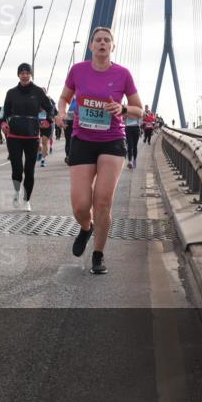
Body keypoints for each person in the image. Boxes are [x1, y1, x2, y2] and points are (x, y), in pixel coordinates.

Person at [57, 26, 143, 276]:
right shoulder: (78, 70)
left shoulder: (123, 74)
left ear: (112, 47)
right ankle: (86, 227)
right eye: (98, 40)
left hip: (112, 140)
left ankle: (98, 254)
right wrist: (62, 112)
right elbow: (63, 97)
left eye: (107, 40)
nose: (102, 43)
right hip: (82, 139)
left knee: (103, 199)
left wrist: (123, 109)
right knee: (80, 205)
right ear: (91, 46)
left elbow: (139, 108)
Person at [1, 63, 54, 211]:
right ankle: (17, 192)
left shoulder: (38, 92)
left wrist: (48, 121)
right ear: (18, 75)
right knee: (17, 169)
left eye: (27, 73)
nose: (24, 75)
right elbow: (5, 113)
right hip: (14, 136)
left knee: (29, 170)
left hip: (32, 137)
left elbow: (51, 109)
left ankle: (27, 199)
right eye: (22, 73)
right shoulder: (11, 93)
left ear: (31, 74)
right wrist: (4, 123)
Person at [64, 97, 76, 165]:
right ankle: (68, 156)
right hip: (69, 121)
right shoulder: (72, 98)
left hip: (79, 122)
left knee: (75, 139)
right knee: (68, 139)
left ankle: (74, 156)